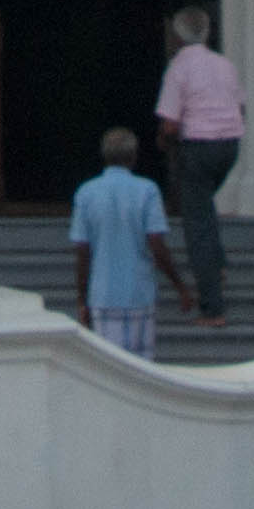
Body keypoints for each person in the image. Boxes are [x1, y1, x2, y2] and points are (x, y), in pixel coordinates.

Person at [150, 2, 245, 321]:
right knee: (205, 209)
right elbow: (240, 106)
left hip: (198, 147)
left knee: (198, 224)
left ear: (177, 38)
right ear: (208, 33)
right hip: (230, 146)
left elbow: (170, 123)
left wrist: (162, 143)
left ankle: (212, 305)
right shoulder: (224, 64)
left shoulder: (179, 68)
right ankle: (217, 267)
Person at [67, 125, 191, 354]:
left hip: (103, 295)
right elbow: (157, 245)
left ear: (104, 156)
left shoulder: (86, 193)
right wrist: (179, 286)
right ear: (133, 157)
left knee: (110, 366)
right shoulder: (147, 191)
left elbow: (83, 252)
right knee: (142, 367)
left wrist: (82, 298)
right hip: (139, 293)